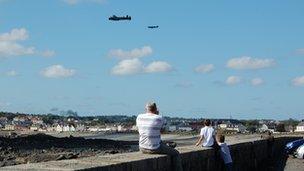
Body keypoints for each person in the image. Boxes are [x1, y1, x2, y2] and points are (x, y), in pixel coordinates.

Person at [136, 102, 183, 171]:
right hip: (154, 148)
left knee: (160, 142)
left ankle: (166, 146)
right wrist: (157, 115)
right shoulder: (160, 118)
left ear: (146, 109)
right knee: (176, 153)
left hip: (142, 147)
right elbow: (163, 131)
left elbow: (138, 130)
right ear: (156, 109)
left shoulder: (139, 117)